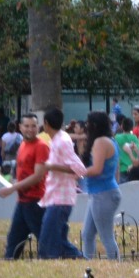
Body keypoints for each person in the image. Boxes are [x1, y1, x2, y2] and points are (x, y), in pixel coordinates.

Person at [37, 108, 86, 259]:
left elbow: (79, 169)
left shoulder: (62, 142)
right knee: (58, 241)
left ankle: (52, 264)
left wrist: (51, 166)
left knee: (47, 242)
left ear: (46, 123)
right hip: (55, 197)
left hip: (61, 199)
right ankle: (81, 260)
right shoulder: (58, 139)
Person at [0, 113, 49, 259]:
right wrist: (14, 183)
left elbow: (38, 176)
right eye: (26, 126)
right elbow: (23, 172)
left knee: (46, 242)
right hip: (23, 201)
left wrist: (12, 188)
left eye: (33, 126)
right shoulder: (22, 145)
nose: (30, 129)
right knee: (13, 241)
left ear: (38, 127)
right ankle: (8, 267)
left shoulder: (41, 147)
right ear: (20, 127)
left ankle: (63, 262)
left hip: (36, 201)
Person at [81, 111, 122, 260]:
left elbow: (96, 169)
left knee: (106, 236)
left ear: (94, 125)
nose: (86, 126)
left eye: (88, 123)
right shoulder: (111, 140)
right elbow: (116, 170)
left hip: (103, 193)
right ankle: (88, 263)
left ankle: (116, 266)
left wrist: (77, 172)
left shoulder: (100, 142)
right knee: (87, 234)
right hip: (103, 191)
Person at [115, 117, 139, 183]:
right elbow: (138, 151)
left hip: (121, 168)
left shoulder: (117, 137)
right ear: (132, 128)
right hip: (132, 168)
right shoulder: (134, 137)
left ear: (121, 126)